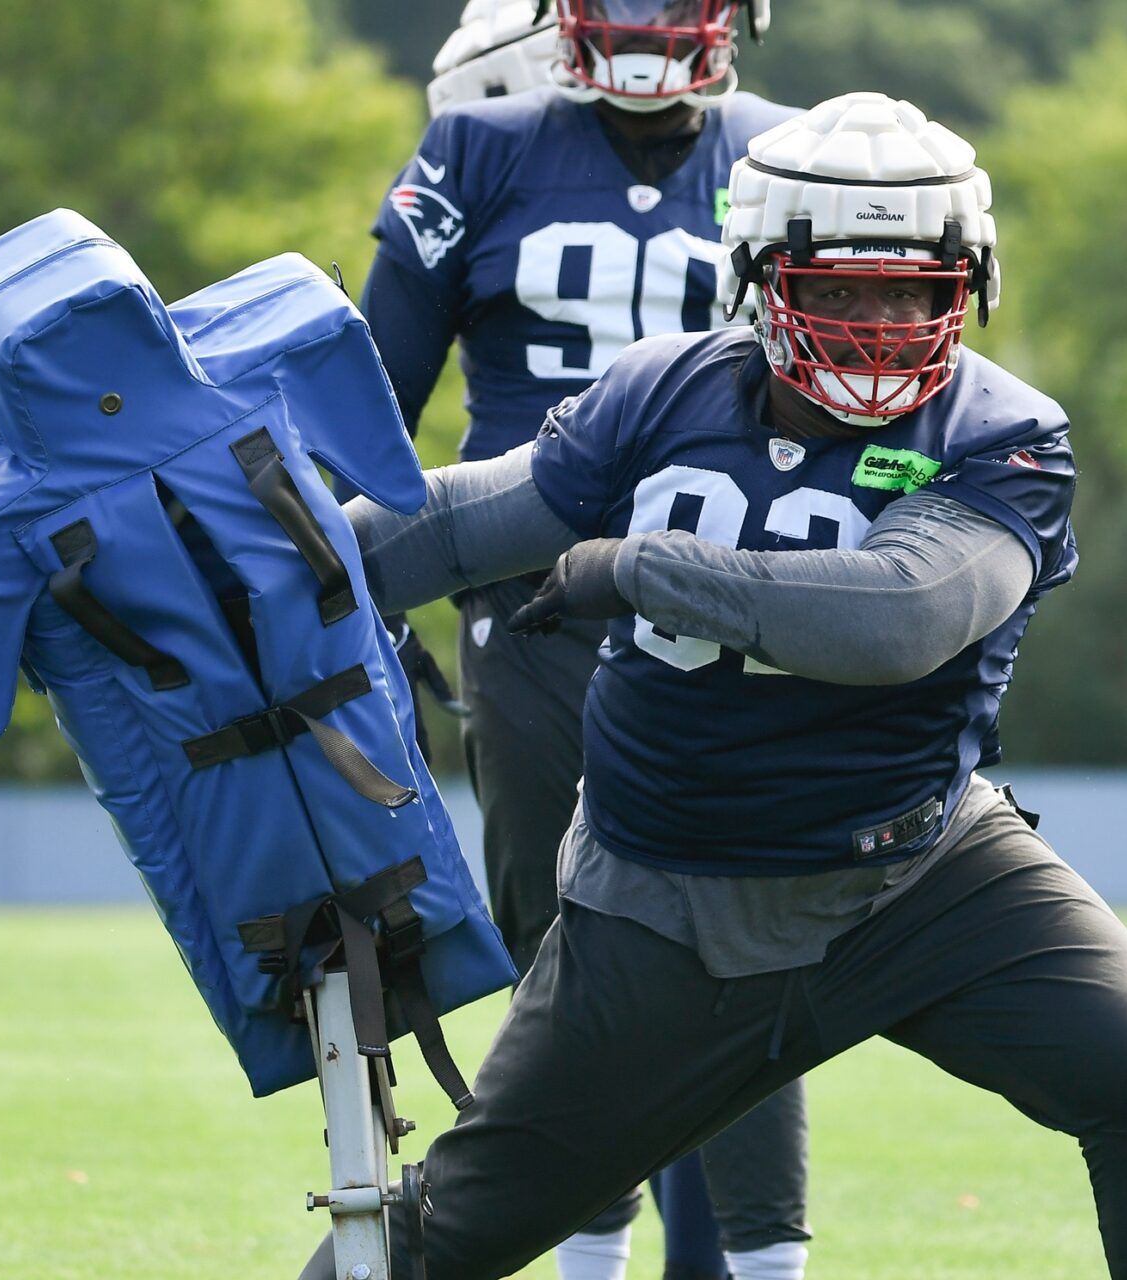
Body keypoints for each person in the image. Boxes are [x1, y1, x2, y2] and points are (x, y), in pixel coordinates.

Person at [305, 91, 1127, 1280]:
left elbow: (902, 613)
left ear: (971, 285)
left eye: (914, 286)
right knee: (439, 1238)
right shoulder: (664, 391)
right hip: (669, 906)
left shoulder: (1007, 433)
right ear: (761, 275)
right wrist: (269, 569)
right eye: (840, 286)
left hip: (921, 875)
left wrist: (642, 566)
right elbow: (450, 525)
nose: (879, 319)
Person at [363, 4, 807, 1279]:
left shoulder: (791, 154)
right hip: (528, 591)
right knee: (562, 941)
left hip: (726, 591)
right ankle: (590, 1259)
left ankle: (742, 1263)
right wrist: (359, 585)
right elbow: (372, 404)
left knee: (739, 929)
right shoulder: (478, 146)